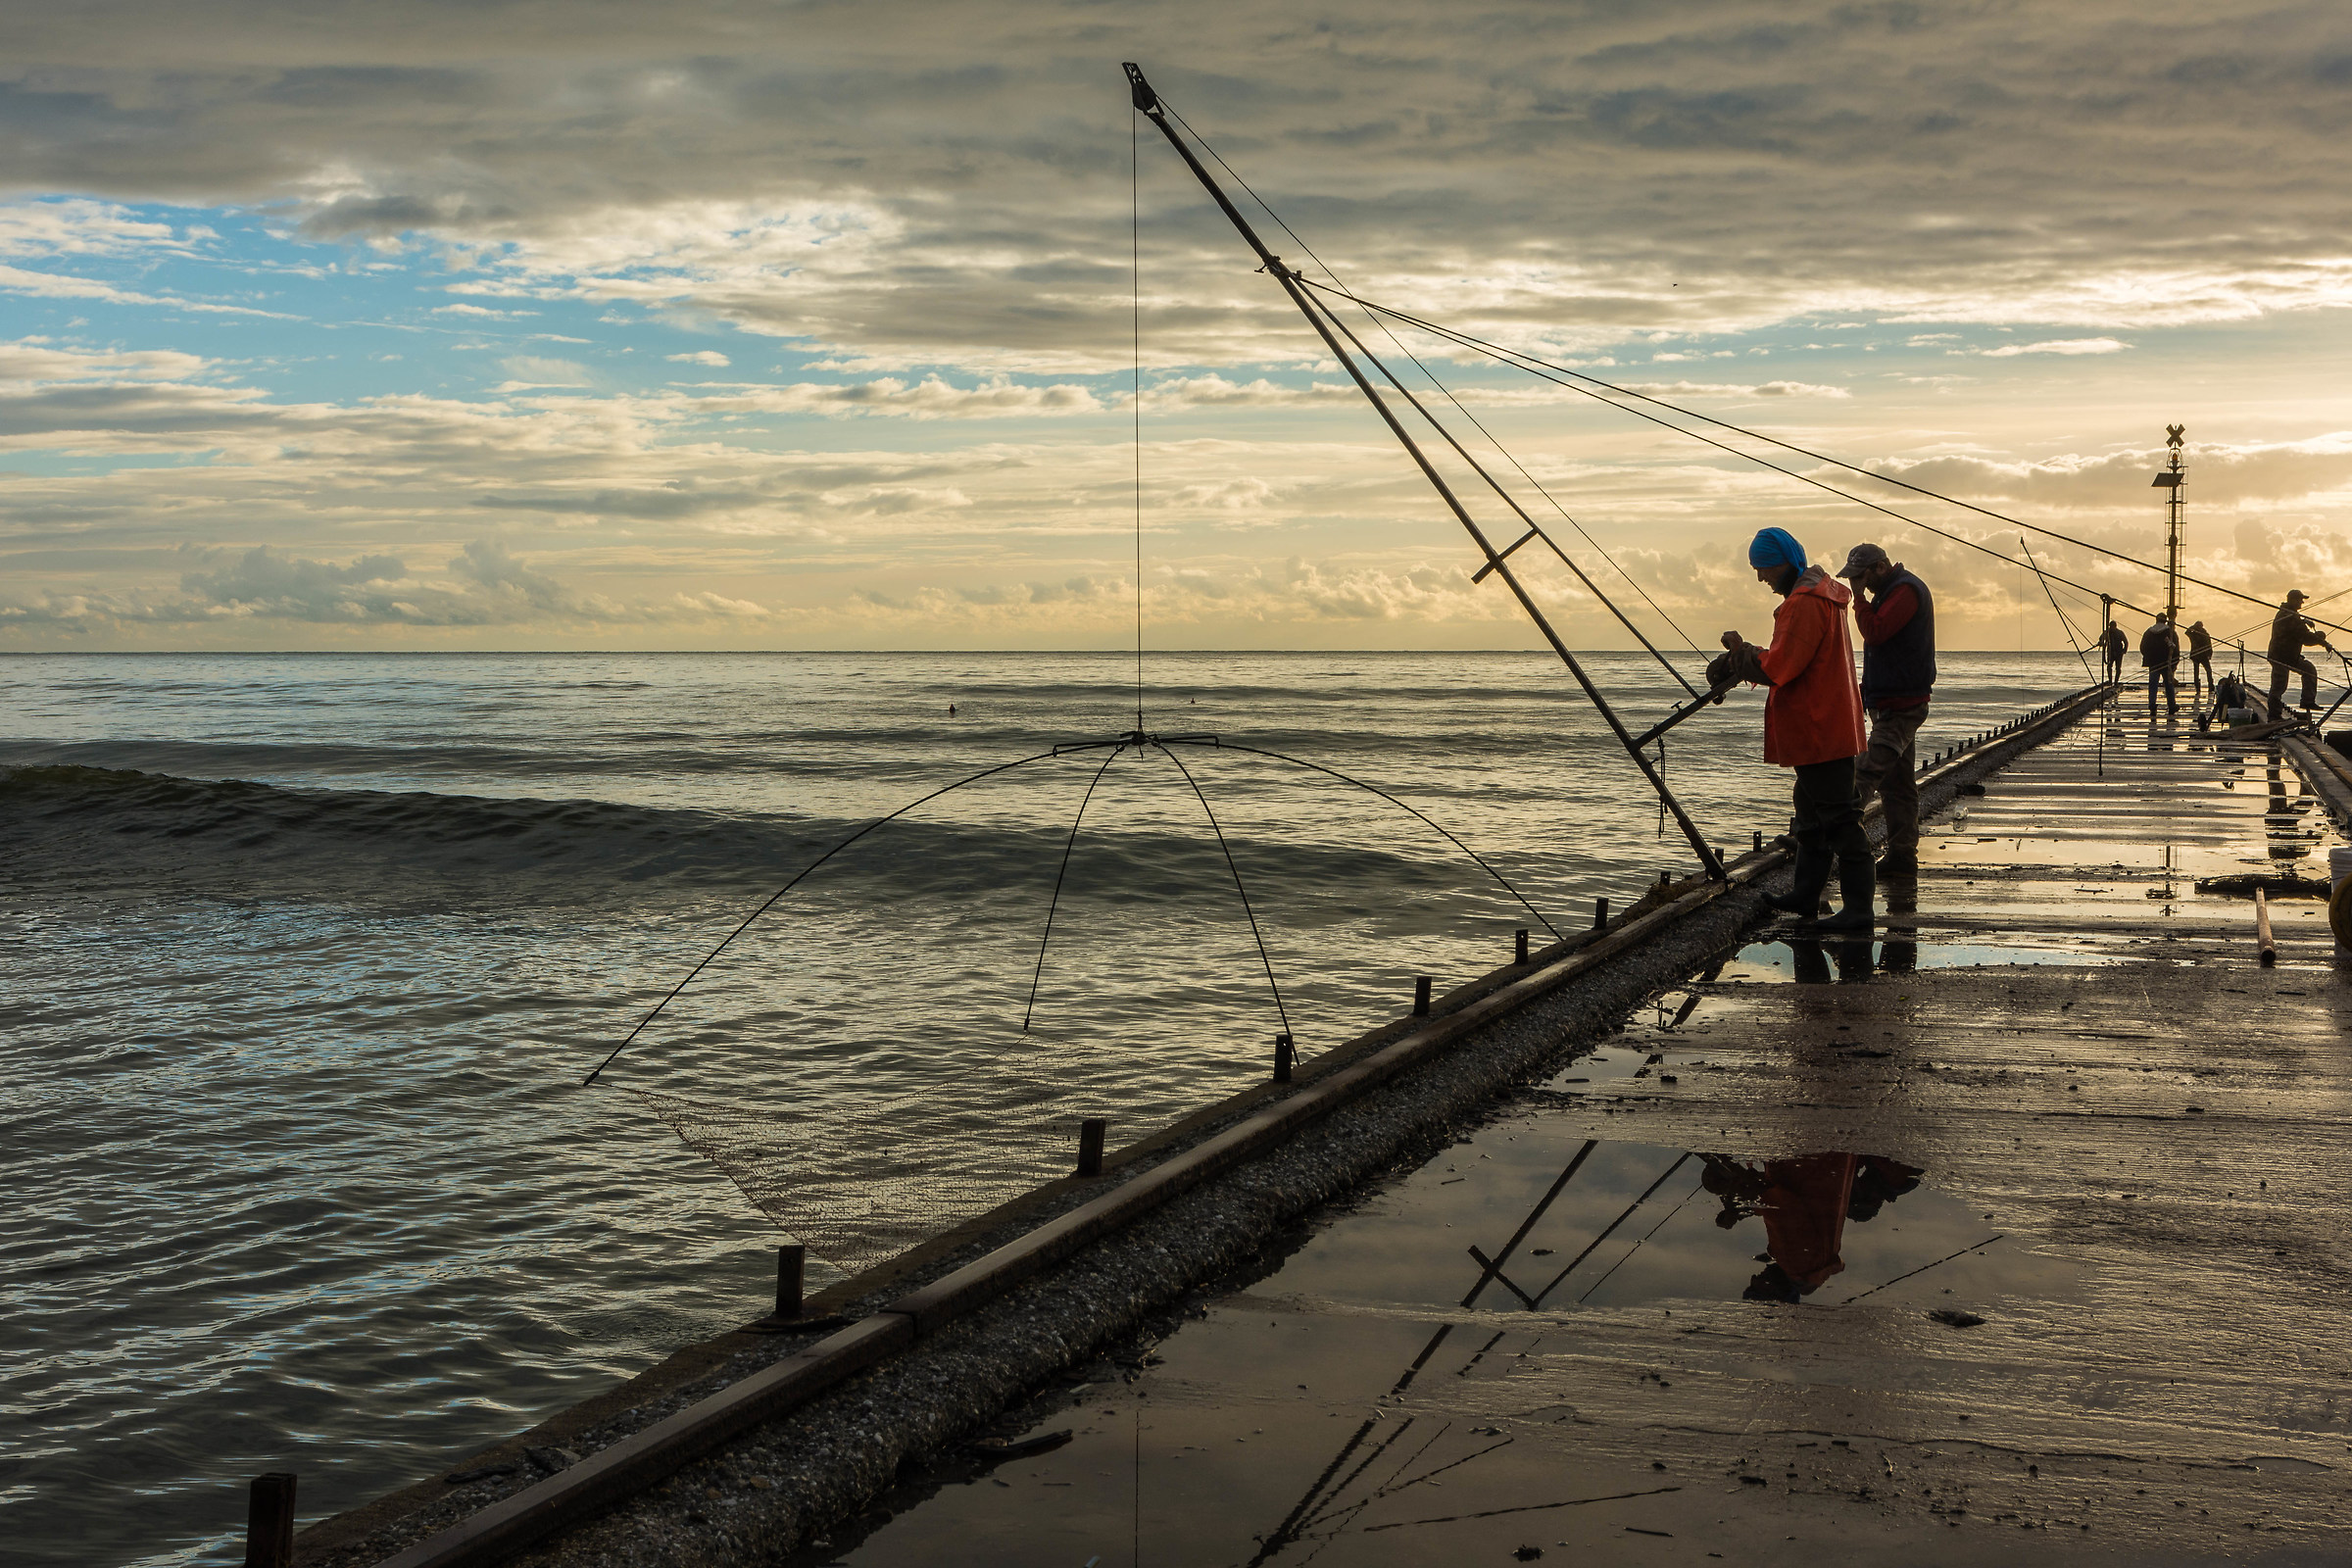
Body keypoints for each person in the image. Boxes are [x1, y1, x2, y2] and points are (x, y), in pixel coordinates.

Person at [1716, 527, 1872, 931]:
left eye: (1763, 567)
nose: (1761, 577)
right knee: (1810, 817)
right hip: (1829, 723)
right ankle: (1805, 896)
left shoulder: (1804, 604)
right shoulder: (1825, 597)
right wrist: (1747, 655)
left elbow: (1780, 666)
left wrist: (1741, 654)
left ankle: (1858, 913)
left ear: (1783, 561)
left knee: (1839, 821)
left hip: (1819, 728)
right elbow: (1793, 659)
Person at [1837, 543, 1934, 875]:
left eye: (1860, 579)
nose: (1856, 586)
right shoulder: (1891, 592)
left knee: (1865, 771)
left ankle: (1826, 836)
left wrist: (1859, 600)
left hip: (1901, 706)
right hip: (1892, 701)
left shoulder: (1905, 591)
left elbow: (1876, 632)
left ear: (1878, 568)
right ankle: (1903, 856)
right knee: (1898, 785)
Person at [2267, 590, 2331, 720]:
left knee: (2309, 670)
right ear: (2292, 600)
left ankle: (2307, 701)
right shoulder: (2288, 616)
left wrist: (2304, 621)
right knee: (2279, 686)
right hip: (2280, 657)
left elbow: (2298, 629)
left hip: (2289, 656)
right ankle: (2274, 716)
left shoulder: (2290, 615)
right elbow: (2305, 637)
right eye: (2300, 600)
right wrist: (2323, 643)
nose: (2302, 602)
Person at [2139, 612, 2180, 718]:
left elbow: (2142, 647)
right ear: (2165, 620)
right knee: (2169, 685)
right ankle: (2171, 705)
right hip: (2166, 662)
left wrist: (2149, 657)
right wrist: (2175, 662)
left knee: (2153, 685)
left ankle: (2152, 706)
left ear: (2156, 620)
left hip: (2153, 663)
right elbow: (2176, 649)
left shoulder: (2148, 632)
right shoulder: (2170, 632)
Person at [2185, 619, 2214, 703]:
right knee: (2198, 672)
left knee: (2207, 671)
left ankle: (2210, 686)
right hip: (2196, 656)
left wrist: (2210, 654)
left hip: (2203, 655)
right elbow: (2187, 632)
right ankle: (2198, 687)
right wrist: (2193, 627)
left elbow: (2209, 645)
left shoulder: (2204, 634)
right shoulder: (2193, 634)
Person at [2100, 619, 2128, 684]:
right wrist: (2101, 641)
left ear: (2115, 626)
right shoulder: (2107, 632)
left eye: (2113, 626)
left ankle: (2116, 681)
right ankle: (2110, 681)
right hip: (2110, 653)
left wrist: (2124, 651)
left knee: (2118, 668)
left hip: (2119, 653)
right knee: (2109, 666)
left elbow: (2126, 642)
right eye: (2111, 626)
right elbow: (2101, 638)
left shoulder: (2120, 633)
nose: (2112, 628)